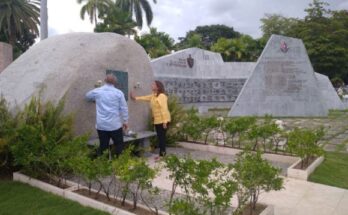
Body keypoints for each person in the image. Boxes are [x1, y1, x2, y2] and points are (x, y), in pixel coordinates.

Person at [85, 74, 128, 156]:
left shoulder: (97, 91)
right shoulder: (119, 93)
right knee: (119, 146)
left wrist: (95, 100)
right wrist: (125, 121)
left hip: (102, 125)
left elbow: (87, 97)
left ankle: (104, 165)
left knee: (103, 146)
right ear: (115, 82)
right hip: (115, 125)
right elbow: (124, 108)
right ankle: (120, 165)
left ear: (105, 80)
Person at [130, 80, 171, 159]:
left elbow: (164, 109)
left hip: (163, 121)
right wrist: (135, 98)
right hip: (157, 121)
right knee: (160, 137)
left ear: (158, 87)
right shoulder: (154, 95)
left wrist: (165, 122)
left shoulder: (161, 96)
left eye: (153, 84)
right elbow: (145, 98)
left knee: (161, 138)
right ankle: (162, 154)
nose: (152, 85)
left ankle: (162, 156)